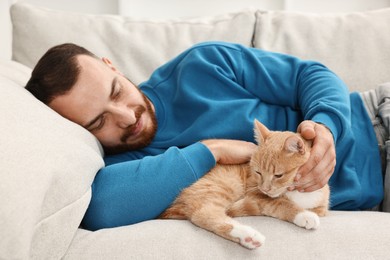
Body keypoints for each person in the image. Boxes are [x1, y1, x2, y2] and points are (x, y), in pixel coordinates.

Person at [25, 41, 388, 231]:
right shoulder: (127, 163)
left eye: (117, 91)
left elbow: (309, 75)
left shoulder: (202, 64)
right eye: (97, 122)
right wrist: (210, 150)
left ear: (112, 66)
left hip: (374, 120)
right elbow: (101, 207)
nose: (125, 117)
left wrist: (326, 127)